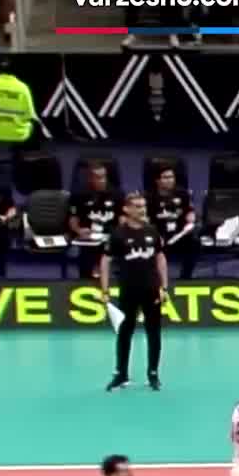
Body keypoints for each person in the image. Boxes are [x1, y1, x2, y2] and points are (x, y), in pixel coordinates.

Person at [99, 192, 168, 393]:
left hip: (151, 290)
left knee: (154, 332)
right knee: (125, 332)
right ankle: (121, 374)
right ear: (126, 209)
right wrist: (104, 289)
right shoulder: (118, 234)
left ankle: (153, 374)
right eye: (137, 206)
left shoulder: (152, 231)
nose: (142, 209)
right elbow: (105, 261)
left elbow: (160, 257)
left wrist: (164, 287)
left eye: (143, 206)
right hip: (128, 290)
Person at [148, 166, 200, 278]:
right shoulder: (149, 197)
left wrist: (191, 216)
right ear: (157, 180)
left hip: (179, 235)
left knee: (194, 242)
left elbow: (190, 212)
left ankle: (186, 277)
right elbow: (146, 221)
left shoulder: (183, 194)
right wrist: (155, 235)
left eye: (171, 177)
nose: (170, 180)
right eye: (165, 177)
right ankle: (154, 278)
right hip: (159, 236)